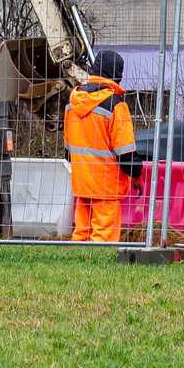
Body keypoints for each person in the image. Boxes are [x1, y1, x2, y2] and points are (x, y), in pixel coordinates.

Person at [63, 50, 139, 242]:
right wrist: (137, 171)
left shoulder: (72, 104)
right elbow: (125, 153)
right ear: (118, 76)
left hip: (82, 182)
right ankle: (100, 270)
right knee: (103, 238)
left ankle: (76, 268)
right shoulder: (116, 105)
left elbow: (68, 150)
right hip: (107, 185)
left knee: (81, 233)